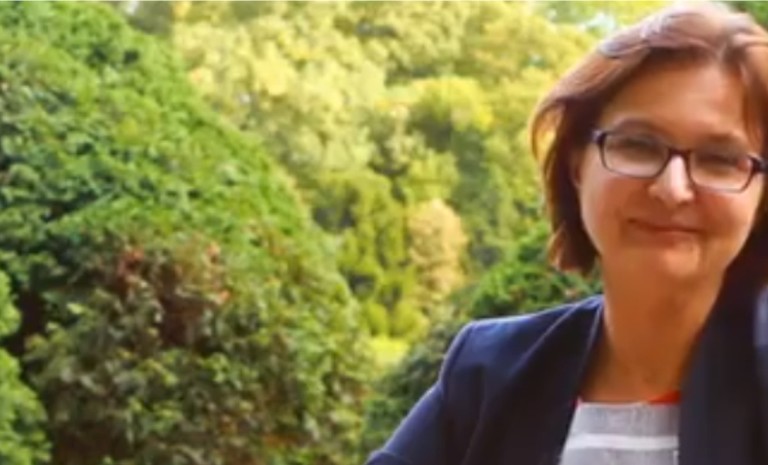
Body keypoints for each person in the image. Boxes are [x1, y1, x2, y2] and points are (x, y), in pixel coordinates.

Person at [364, 3, 768, 465]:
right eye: (638, 145)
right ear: (577, 166)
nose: (672, 189)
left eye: (720, 159)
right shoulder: (488, 375)